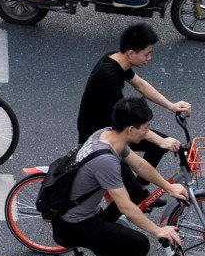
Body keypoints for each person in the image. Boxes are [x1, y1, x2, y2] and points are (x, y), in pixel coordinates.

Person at [54, 97, 187, 256]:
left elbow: (140, 165)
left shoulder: (107, 134)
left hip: (79, 214)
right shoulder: (106, 160)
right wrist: (158, 230)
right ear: (131, 129)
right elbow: (125, 207)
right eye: (146, 128)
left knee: (120, 240)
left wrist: (168, 187)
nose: (148, 133)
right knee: (139, 244)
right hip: (76, 224)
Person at [76, 23, 192, 219]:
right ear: (131, 53)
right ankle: (106, 221)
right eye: (147, 54)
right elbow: (128, 122)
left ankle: (139, 192)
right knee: (134, 186)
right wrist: (160, 140)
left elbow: (140, 84)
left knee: (158, 147)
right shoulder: (108, 76)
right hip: (100, 137)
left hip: (117, 128)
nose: (149, 58)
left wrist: (171, 105)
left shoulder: (118, 60)